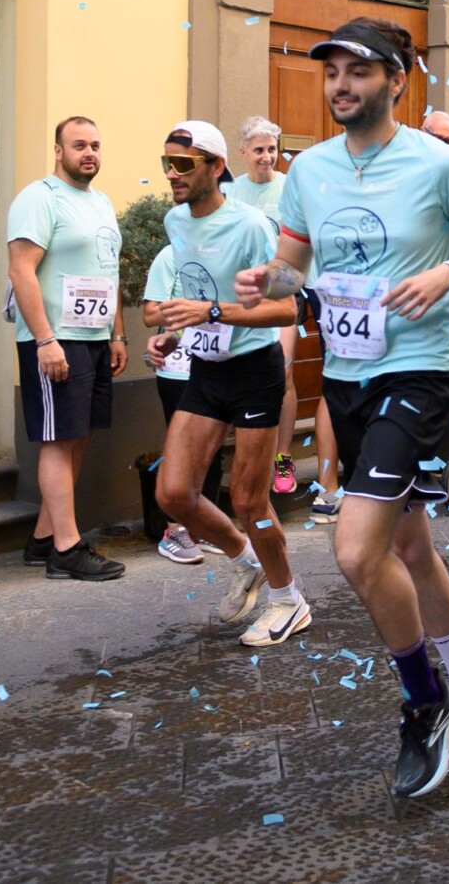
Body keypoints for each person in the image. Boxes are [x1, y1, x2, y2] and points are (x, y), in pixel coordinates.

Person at [236, 16, 449, 798]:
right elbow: (294, 268)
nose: (340, 85)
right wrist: (266, 281)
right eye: (332, 72)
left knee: (359, 552)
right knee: (411, 545)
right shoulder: (310, 171)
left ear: (397, 79)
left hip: (421, 371)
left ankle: (427, 702)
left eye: (358, 71)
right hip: (349, 375)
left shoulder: (438, 164)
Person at [147, 122, 308, 646]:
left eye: (183, 164)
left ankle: (289, 600)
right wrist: (175, 333)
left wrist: (213, 311)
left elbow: (285, 308)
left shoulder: (252, 226)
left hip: (255, 371)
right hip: (206, 367)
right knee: (173, 492)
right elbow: (196, 293)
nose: (172, 174)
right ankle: (245, 560)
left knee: (249, 500)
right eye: (167, 163)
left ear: (216, 167)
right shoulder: (175, 221)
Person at [7, 116, 127, 581]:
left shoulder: (101, 202)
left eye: (95, 145)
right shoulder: (38, 198)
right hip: (56, 339)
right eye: (79, 145)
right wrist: (44, 339)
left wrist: (116, 334)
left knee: (80, 435)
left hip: (94, 337)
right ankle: (66, 549)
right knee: (58, 440)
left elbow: (109, 272)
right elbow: (21, 270)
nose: (89, 153)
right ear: (58, 151)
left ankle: (43, 538)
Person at [231, 116, 313, 509]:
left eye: (272, 149)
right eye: (259, 150)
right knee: (243, 373)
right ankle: (250, 460)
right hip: (241, 295)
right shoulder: (231, 192)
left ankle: (283, 457)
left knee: (282, 371)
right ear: (243, 152)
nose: (267, 156)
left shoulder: (289, 188)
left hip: (282, 292)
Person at [141, 241, 211, 564]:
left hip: (214, 362)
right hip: (178, 366)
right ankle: (173, 530)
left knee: (210, 448)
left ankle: (203, 527)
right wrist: (191, 309)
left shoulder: (223, 252)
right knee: (180, 445)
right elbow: (149, 314)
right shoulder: (170, 255)